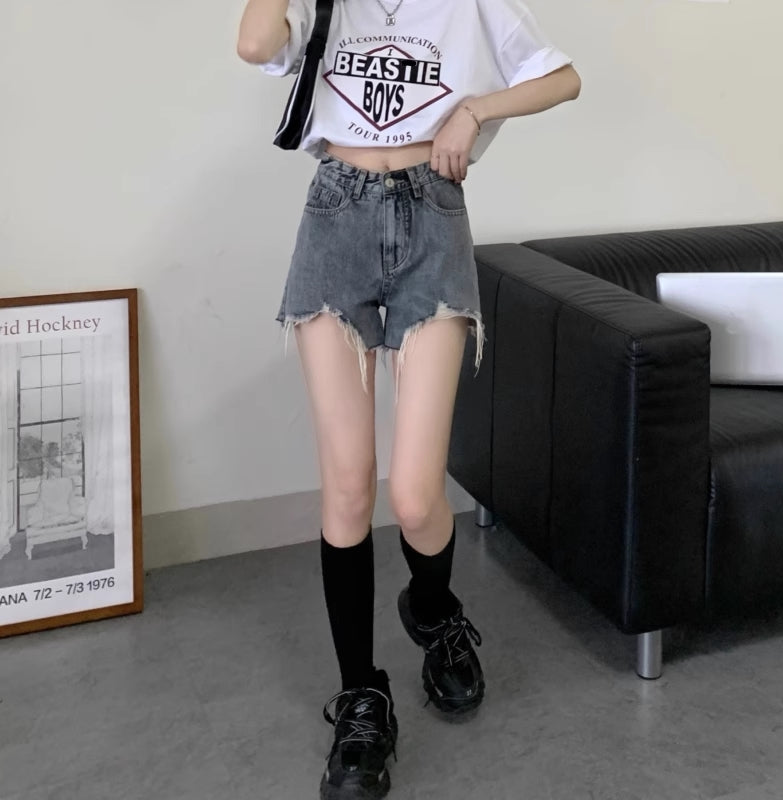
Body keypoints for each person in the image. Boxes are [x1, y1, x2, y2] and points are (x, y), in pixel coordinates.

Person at [237, 1, 580, 797]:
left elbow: (564, 78)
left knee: (419, 495)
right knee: (349, 486)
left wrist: (476, 110)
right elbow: (256, 42)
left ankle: (433, 611)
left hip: (433, 217)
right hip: (335, 218)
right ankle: (363, 697)